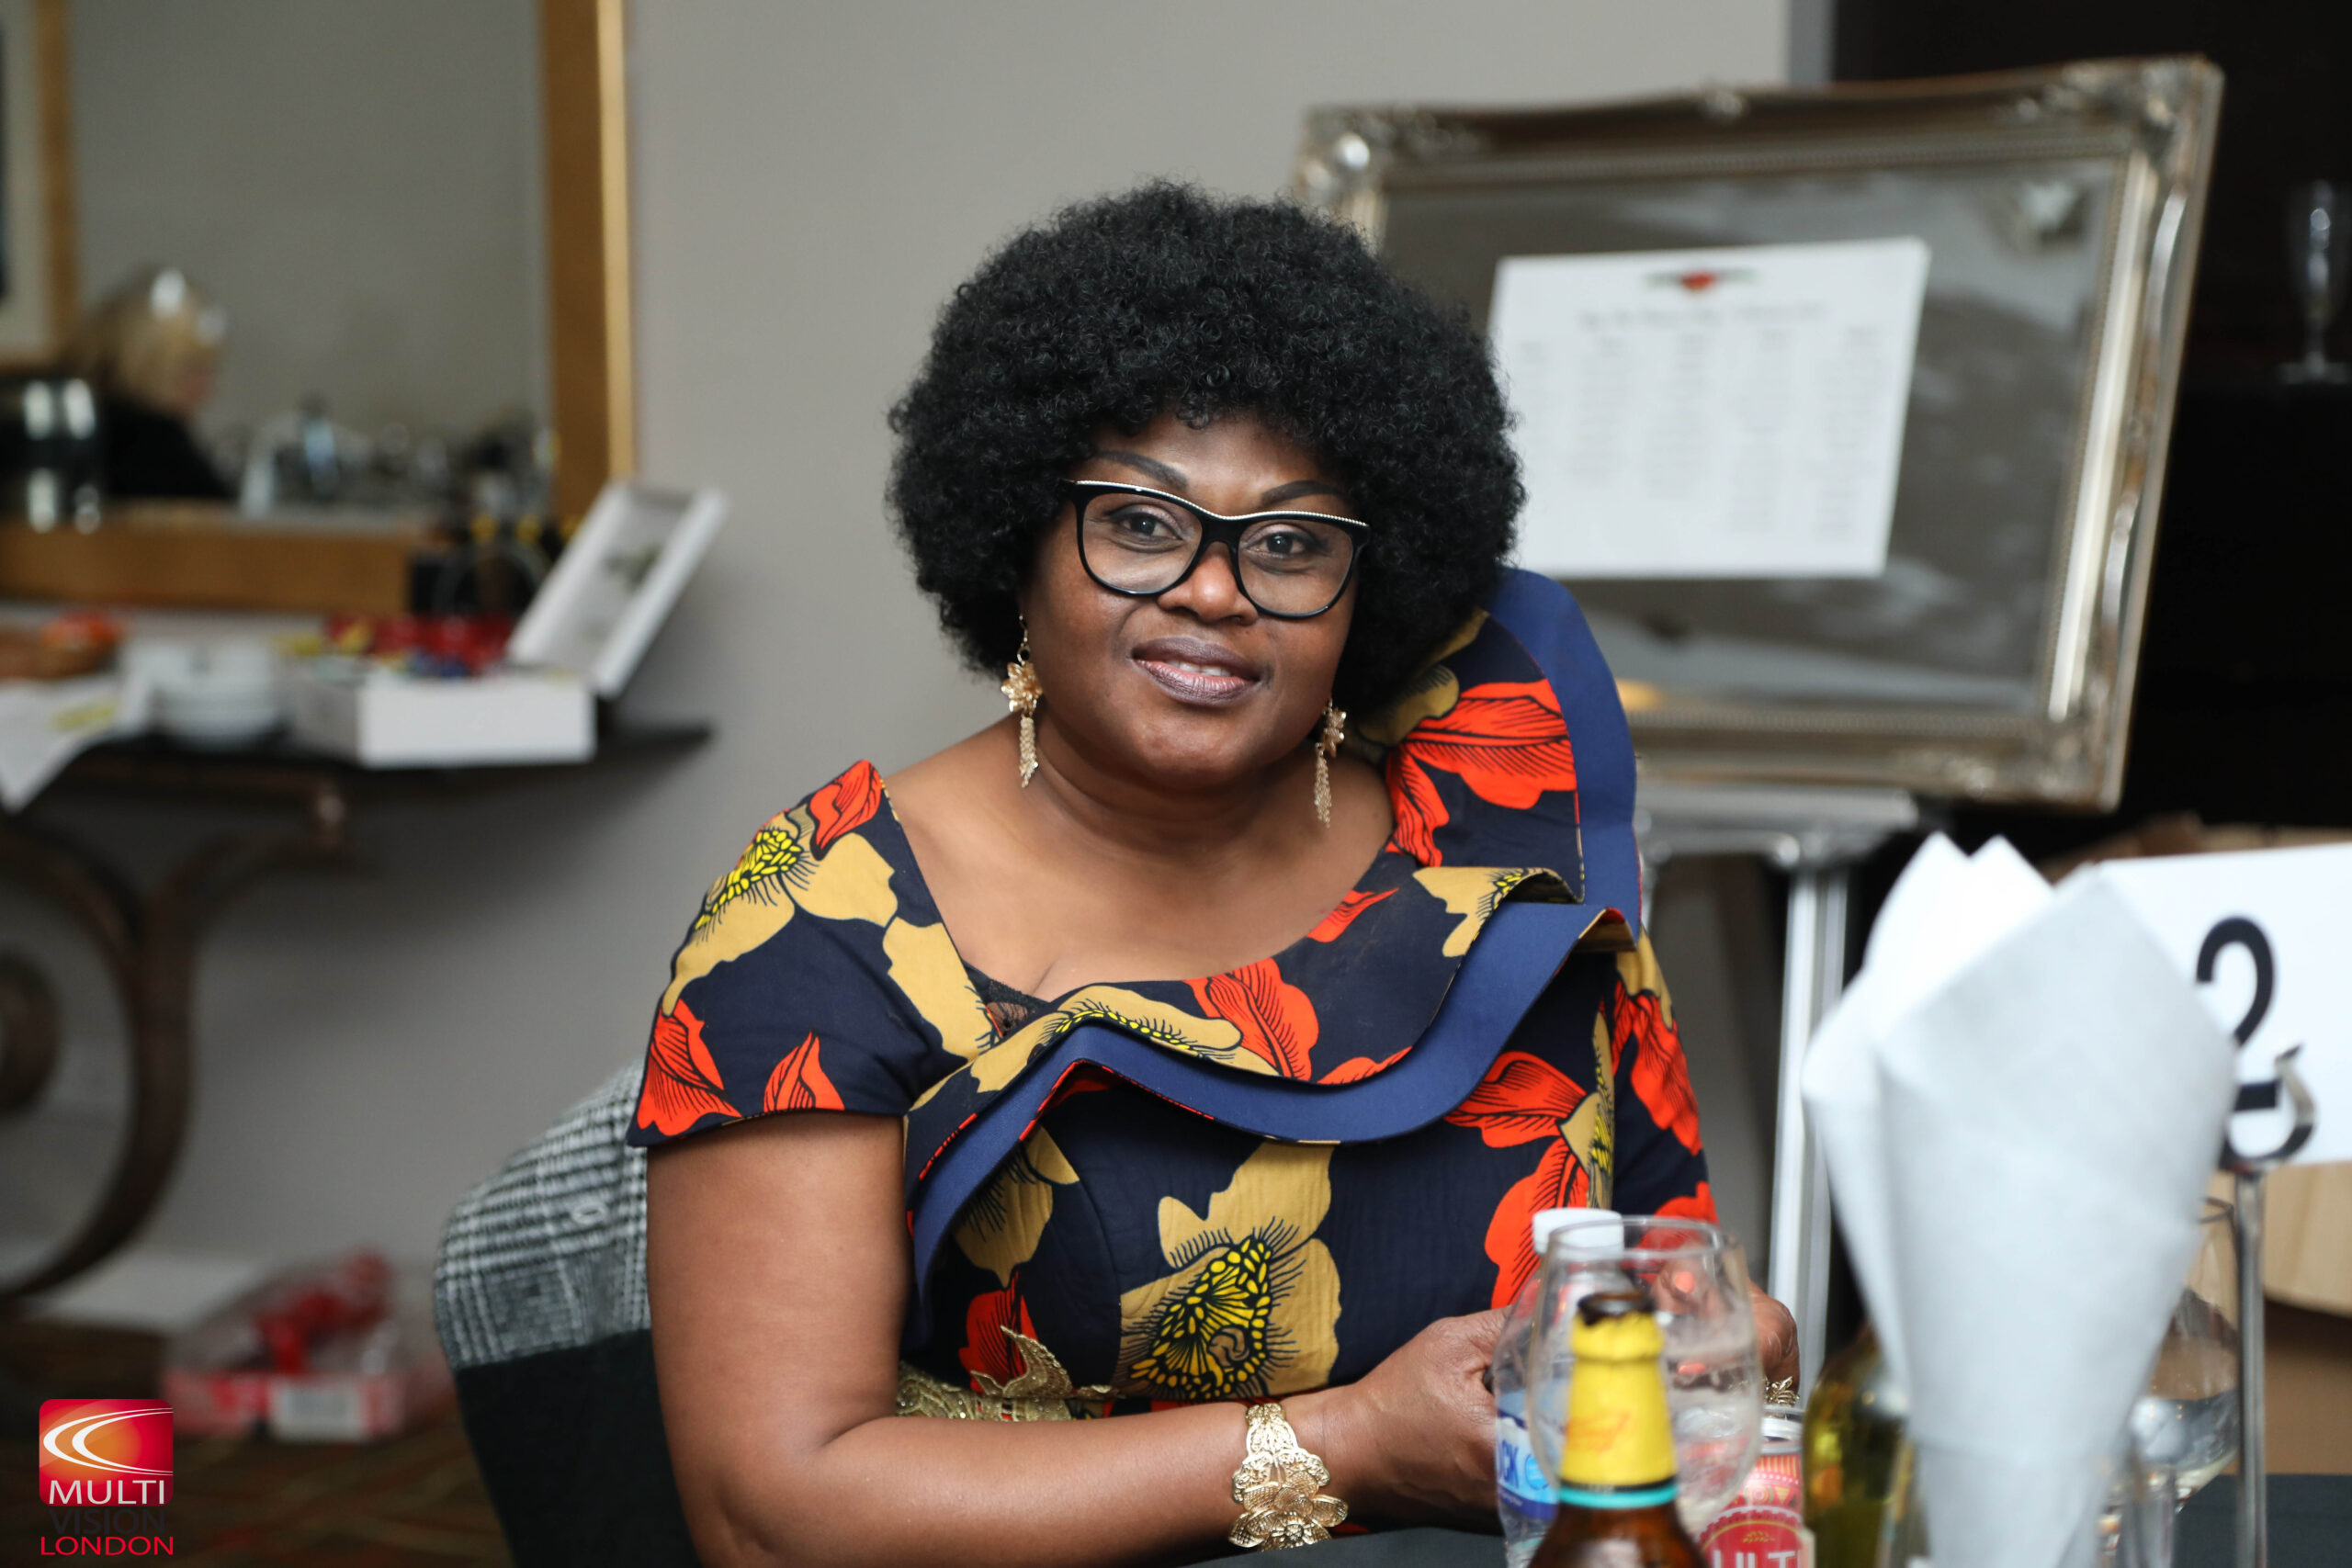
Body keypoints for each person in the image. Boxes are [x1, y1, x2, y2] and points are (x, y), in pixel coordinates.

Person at [633, 184, 1797, 1567]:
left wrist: (1712, 1344)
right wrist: (1339, 1449)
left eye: (1292, 543)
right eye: (1139, 522)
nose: (1214, 590)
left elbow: (1665, 1288)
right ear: (1018, 542)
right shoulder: (819, 925)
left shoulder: (1501, 861)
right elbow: (770, 1513)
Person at [63, 266, 233, 501]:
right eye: (194, 369)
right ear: (150, 367)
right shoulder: (158, 446)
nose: (208, 390)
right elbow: (216, 509)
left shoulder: (74, 426)